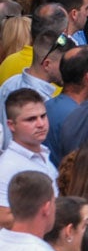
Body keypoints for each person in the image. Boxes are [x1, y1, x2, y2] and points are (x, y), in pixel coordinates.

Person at [0, 87, 58, 226]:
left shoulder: (44, 155)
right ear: (11, 125)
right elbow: (3, 216)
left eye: (43, 116)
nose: (40, 124)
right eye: (31, 119)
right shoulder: (8, 166)